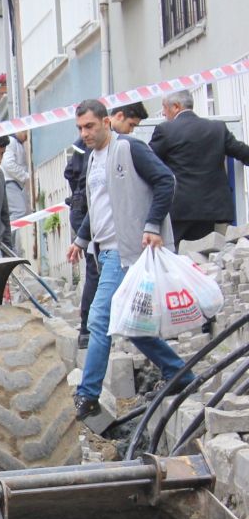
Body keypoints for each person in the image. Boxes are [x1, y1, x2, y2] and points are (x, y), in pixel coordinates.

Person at [68, 99, 192, 423]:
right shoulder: (92, 159)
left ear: (107, 122)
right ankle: (181, 373)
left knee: (98, 318)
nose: (85, 134)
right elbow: (98, 207)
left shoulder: (129, 149)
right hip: (105, 251)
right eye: (80, 128)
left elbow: (166, 181)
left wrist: (152, 225)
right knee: (132, 324)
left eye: (90, 126)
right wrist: (81, 240)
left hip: (126, 252)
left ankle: (88, 394)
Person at [150, 90, 249, 242]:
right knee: (211, 260)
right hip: (214, 212)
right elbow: (243, 152)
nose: (163, 113)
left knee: (178, 260)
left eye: (164, 108)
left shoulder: (165, 130)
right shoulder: (218, 128)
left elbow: (148, 163)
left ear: (176, 107)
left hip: (180, 211)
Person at [63, 138, 99, 350]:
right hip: (85, 212)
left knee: (95, 270)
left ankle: (88, 328)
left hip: (83, 211)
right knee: (95, 270)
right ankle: (86, 329)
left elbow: (69, 172)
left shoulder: (84, 145)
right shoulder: (92, 149)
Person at [1, 133, 30, 222]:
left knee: (17, 213)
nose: (27, 135)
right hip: (10, 182)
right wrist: (25, 176)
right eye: (25, 131)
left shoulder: (16, 143)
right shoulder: (11, 142)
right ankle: (4, 234)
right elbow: (8, 164)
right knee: (19, 212)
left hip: (13, 183)